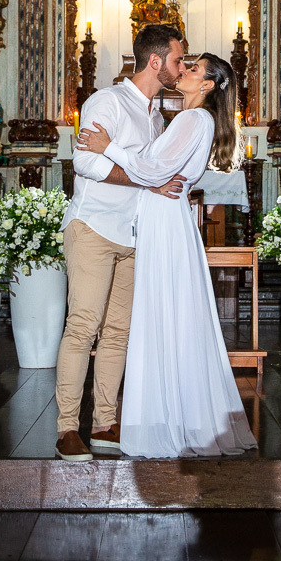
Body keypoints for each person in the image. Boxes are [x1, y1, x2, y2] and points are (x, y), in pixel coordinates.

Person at [78, 53, 257, 459]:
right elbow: (158, 170)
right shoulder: (190, 120)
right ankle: (173, 413)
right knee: (167, 312)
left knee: (162, 311)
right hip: (165, 217)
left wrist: (108, 147)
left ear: (207, 85)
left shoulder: (194, 119)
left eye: (194, 69)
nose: (185, 70)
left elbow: (153, 169)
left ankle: (165, 419)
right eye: (186, 64)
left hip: (164, 220)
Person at [54, 23, 186, 462]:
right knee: (82, 326)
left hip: (132, 234)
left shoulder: (155, 117)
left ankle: (104, 423)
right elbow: (85, 162)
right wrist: (146, 182)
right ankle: (66, 428)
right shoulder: (106, 101)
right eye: (177, 60)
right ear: (155, 61)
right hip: (93, 227)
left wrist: (151, 182)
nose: (180, 68)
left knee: (117, 333)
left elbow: (151, 172)